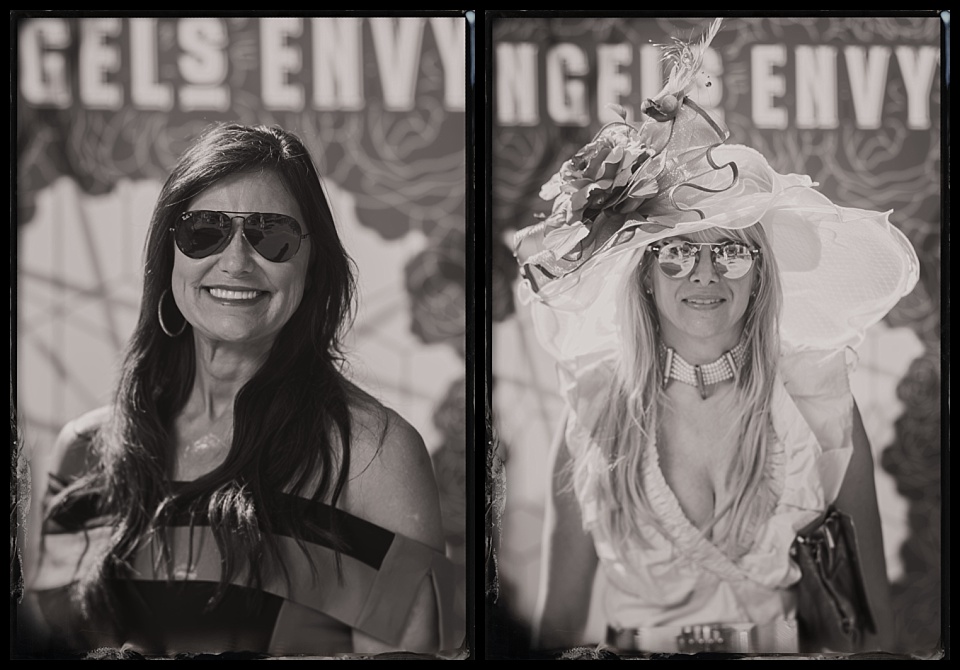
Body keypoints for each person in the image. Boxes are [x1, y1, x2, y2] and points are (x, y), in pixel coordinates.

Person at [514, 20, 918, 655]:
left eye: (730, 251)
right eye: (675, 252)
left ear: (760, 271)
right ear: (643, 274)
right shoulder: (593, 407)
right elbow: (556, 627)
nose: (703, 274)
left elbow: (870, 632)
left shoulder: (817, 396)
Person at [22, 123, 455, 657]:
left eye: (271, 235)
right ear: (169, 256)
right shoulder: (87, 450)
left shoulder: (373, 455)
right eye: (204, 231)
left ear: (312, 263)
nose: (235, 261)